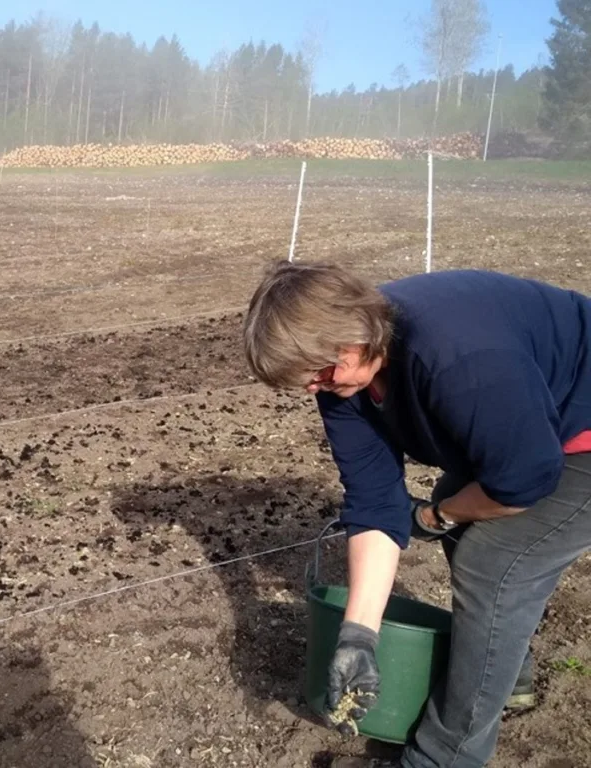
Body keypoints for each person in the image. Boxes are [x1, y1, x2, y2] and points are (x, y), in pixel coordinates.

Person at [241, 261, 591, 768]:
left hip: (580, 430)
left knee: (491, 564)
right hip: (528, 418)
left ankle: (440, 759)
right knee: (468, 524)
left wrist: (436, 515)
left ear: (352, 342)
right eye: (304, 382)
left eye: (318, 373)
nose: (312, 388)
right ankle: (506, 680)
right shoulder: (345, 382)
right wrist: (358, 637)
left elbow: (525, 481)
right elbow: (375, 503)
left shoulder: (456, 359)